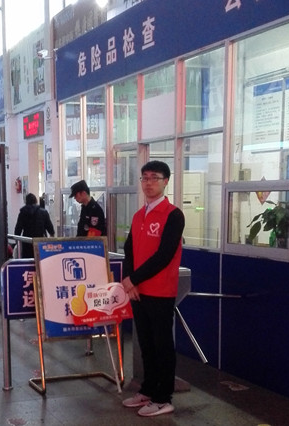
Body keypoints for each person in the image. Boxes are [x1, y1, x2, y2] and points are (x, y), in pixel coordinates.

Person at [121, 160, 185, 417]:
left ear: (166, 181)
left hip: (160, 291)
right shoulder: (139, 215)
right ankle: (148, 389)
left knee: (162, 345)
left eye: (154, 178)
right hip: (138, 291)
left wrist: (133, 279)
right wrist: (129, 280)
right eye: (145, 178)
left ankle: (163, 398)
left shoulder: (173, 215)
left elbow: (164, 255)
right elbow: (129, 249)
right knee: (145, 344)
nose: (149, 183)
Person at [14, 193, 55, 258]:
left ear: (26, 201)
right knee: (40, 260)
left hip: (27, 242)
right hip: (40, 242)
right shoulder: (43, 212)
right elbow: (50, 229)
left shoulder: (22, 213)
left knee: (28, 261)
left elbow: (18, 229)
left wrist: (17, 242)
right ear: (36, 201)